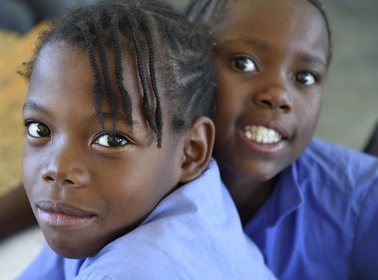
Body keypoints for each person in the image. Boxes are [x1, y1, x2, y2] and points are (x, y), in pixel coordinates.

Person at [15, 0, 276, 279]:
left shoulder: (131, 270)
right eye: (39, 130)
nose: (57, 169)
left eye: (112, 140)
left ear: (191, 151)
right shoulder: (197, 196)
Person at [185, 0, 378, 279]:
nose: (278, 94)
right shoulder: (137, 190)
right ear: (185, 67)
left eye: (306, 77)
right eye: (244, 63)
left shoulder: (361, 200)